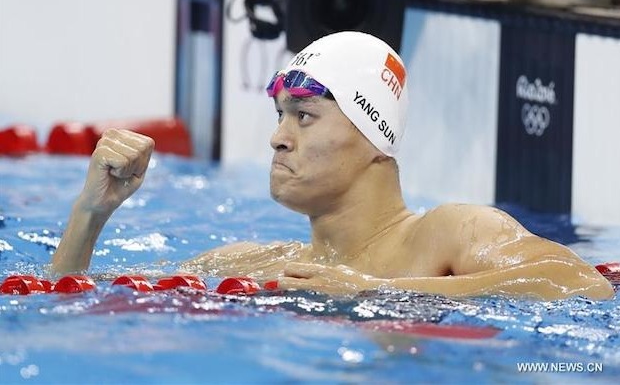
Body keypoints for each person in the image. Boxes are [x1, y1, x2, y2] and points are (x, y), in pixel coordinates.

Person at [51, 32, 614, 300]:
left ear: (374, 137)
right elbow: (69, 299)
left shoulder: (448, 232)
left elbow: (582, 284)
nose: (277, 138)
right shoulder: (260, 260)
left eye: (304, 116)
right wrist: (89, 213)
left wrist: (381, 289)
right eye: (278, 116)